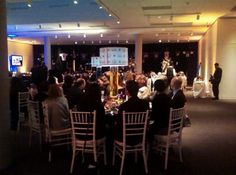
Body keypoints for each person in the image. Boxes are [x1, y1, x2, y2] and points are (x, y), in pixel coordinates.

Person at [115, 80, 149, 145]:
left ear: (127, 91)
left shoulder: (124, 106)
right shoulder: (145, 104)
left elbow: (119, 123)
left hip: (126, 137)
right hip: (140, 136)